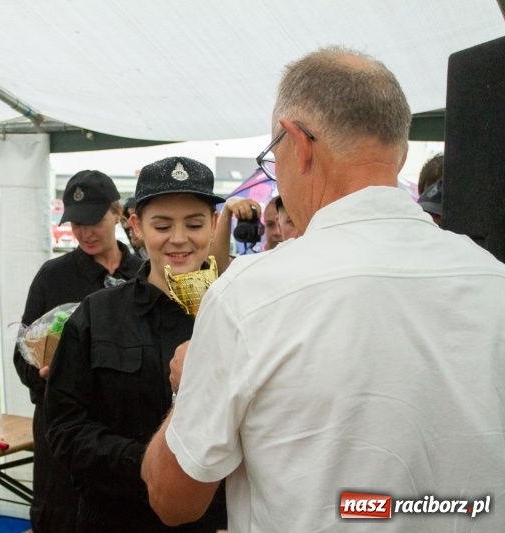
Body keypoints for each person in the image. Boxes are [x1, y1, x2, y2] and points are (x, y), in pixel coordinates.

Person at [141, 46, 505, 532]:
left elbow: (172, 500)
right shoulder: (492, 278)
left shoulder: (252, 296)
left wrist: (191, 387)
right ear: (398, 150)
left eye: (273, 155)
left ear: (298, 142)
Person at [44, 156, 228, 532]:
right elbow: (64, 427)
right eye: (162, 225)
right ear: (137, 227)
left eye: (194, 224)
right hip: (114, 518)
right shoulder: (98, 315)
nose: (179, 239)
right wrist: (149, 466)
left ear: (212, 226)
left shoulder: (235, 314)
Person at [14, 170, 144, 533]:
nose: (85, 233)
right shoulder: (52, 277)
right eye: (75, 223)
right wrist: (50, 379)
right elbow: (21, 355)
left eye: (94, 221)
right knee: (61, 519)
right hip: (63, 441)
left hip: (123, 436)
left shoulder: (143, 276)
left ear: (118, 213)